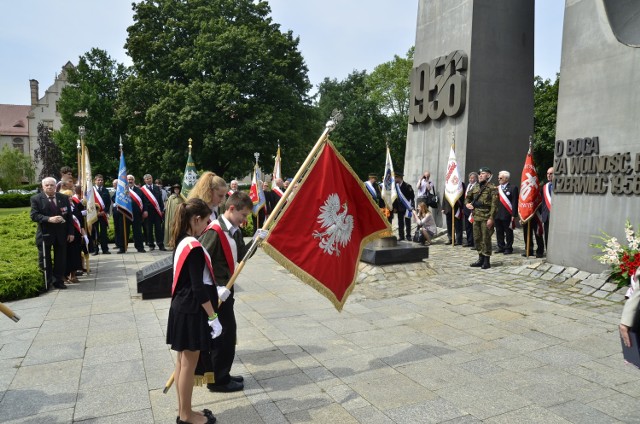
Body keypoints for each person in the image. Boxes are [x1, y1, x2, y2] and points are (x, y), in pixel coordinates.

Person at [166, 198, 220, 424]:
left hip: (181, 307)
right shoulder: (194, 247)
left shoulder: (182, 240)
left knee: (182, 362)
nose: (208, 225)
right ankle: (186, 416)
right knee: (188, 363)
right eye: (206, 221)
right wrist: (213, 316)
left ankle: (184, 410)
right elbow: (198, 288)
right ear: (196, 219)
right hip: (191, 310)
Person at [200, 192, 257, 393]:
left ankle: (223, 372)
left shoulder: (235, 231)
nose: (245, 219)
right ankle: (217, 380)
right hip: (215, 292)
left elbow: (241, 257)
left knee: (229, 334)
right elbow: (200, 262)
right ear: (231, 209)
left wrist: (256, 241)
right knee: (221, 336)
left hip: (227, 289)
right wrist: (215, 287)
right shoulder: (215, 231)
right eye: (243, 214)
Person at [30, 177, 74, 290]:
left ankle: (58, 281)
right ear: (43, 187)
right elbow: (34, 215)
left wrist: (71, 232)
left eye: (52, 185)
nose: (49, 187)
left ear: (56, 186)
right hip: (45, 234)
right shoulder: (36, 199)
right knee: (45, 259)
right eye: (47, 185)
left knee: (60, 259)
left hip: (61, 234)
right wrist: (49, 219)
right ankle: (47, 281)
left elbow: (69, 217)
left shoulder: (63, 198)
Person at [465, 167, 498, 269]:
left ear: (488, 175)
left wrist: (491, 218)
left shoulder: (492, 188)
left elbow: (494, 205)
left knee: (486, 238)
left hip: (486, 216)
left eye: (483, 173)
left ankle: (486, 260)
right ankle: (480, 258)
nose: (480, 175)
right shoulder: (475, 187)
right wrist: (467, 204)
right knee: (477, 238)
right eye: (479, 174)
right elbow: (467, 197)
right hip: (476, 216)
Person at [60, 188, 84, 283]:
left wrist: (83, 233)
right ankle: (65, 276)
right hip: (67, 235)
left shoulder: (74, 206)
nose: (70, 198)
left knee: (75, 255)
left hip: (76, 234)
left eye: (70, 196)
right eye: (67, 197)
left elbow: (80, 220)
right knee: (67, 256)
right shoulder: (62, 208)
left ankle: (73, 275)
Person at [494, 171, 519, 254]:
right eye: (498, 178)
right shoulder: (497, 188)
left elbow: (515, 202)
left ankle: (508, 248)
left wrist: (514, 215)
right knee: (499, 231)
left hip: (507, 214)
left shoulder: (513, 188)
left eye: (500, 178)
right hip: (497, 213)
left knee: (508, 232)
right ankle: (501, 246)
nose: (499, 179)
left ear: (506, 178)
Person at [141, 174, 165, 251]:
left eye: (150, 178)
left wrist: (161, 209)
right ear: (145, 180)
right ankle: (151, 245)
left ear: (152, 178)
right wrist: (145, 210)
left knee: (158, 229)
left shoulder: (157, 188)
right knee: (149, 229)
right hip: (148, 212)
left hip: (157, 212)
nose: (149, 180)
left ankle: (160, 244)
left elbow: (160, 200)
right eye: (147, 179)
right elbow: (142, 202)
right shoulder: (142, 190)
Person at [392, 171, 415, 241]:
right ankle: (401, 236)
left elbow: (412, 197)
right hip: (399, 207)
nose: (395, 179)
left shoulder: (407, 186)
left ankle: (408, 236)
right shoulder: (396, 187)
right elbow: (395, 198)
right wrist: (395, 207)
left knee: (408, 222)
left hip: (407, 207)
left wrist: (412, 206)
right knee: (400, 222)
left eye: (396, 177)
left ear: (400, 178)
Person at [127, 175, 147, 253]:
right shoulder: (122, 190)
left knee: (138, 231)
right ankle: (122, 247)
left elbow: (144, 201)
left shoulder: (139, 190)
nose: (130, 181)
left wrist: (145, 211)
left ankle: (140, 247)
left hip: (137, 214)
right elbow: (114, 198)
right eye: (128, 179)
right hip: (126, 214)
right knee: (124, 231)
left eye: (131, 179)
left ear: (134, 181)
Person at [92, 174, 112, 255]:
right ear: (95, 181)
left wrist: (105, 211)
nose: (100, 181)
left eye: (101, 180)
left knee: (104, 233)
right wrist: (96, 212)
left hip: (103, 214)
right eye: (98, 180)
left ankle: (105, 249)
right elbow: (89, 203)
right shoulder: (91, 191)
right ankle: (95, 249)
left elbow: (108, 202)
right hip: (94, 215)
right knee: (95, 233)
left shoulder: (105, 190)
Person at [463, 172, 478, 247]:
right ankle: (469, 242)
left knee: (474, 227)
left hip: (473, 209)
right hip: (466, 209)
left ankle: (476, 243)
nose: (471, 179)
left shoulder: (477, 186)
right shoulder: (467, 186)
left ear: (476, 178)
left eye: (472, 178)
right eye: (470, 178)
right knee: (468, 226)